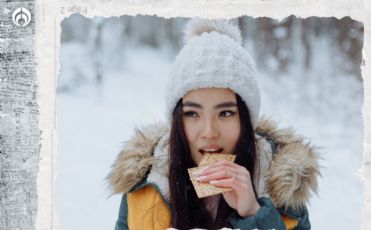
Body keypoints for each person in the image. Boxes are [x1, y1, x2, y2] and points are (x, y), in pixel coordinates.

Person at [107, 18, 320, 230]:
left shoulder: (284, 191)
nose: (209, 132)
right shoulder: (145, 184)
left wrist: (255, 214)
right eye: (192, 114)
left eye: (225, 113)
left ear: (246, 119)